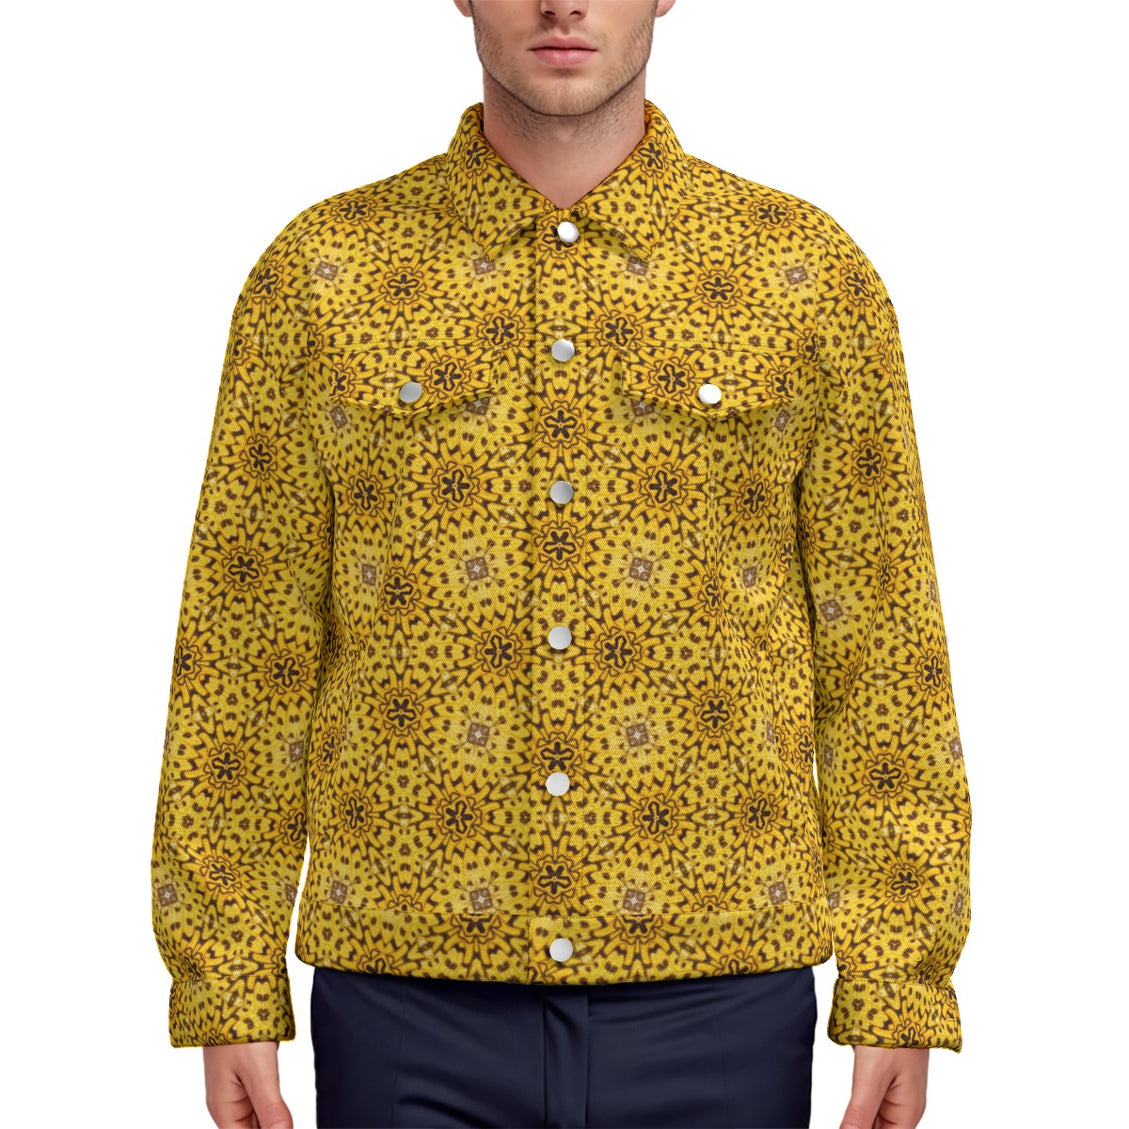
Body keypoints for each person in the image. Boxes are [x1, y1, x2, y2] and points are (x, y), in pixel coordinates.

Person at [150, 1, 973, 1127]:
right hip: (404, 999)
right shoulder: (322, 275)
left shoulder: (803, 274)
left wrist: (900, 981)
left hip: (720, 999)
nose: (562, 1)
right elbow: (244, 650)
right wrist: (224, 976)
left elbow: (883, 652)